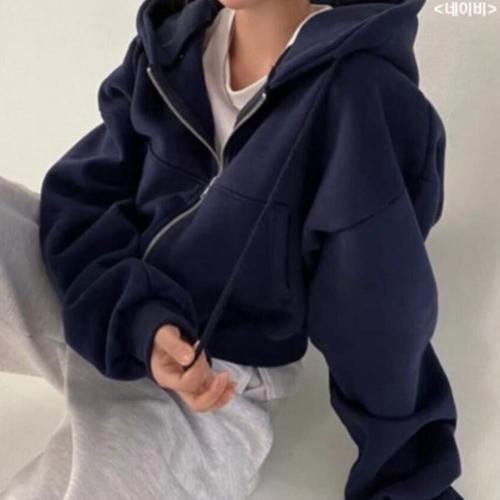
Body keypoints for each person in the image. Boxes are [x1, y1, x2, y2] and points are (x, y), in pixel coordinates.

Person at [0, 0, 464, 498]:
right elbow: (88, 198)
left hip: (214, 382)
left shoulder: (357, 96)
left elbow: (378, 310)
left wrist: (410, 478)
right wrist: (139, 319)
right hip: (104, 301)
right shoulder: (172, 46)